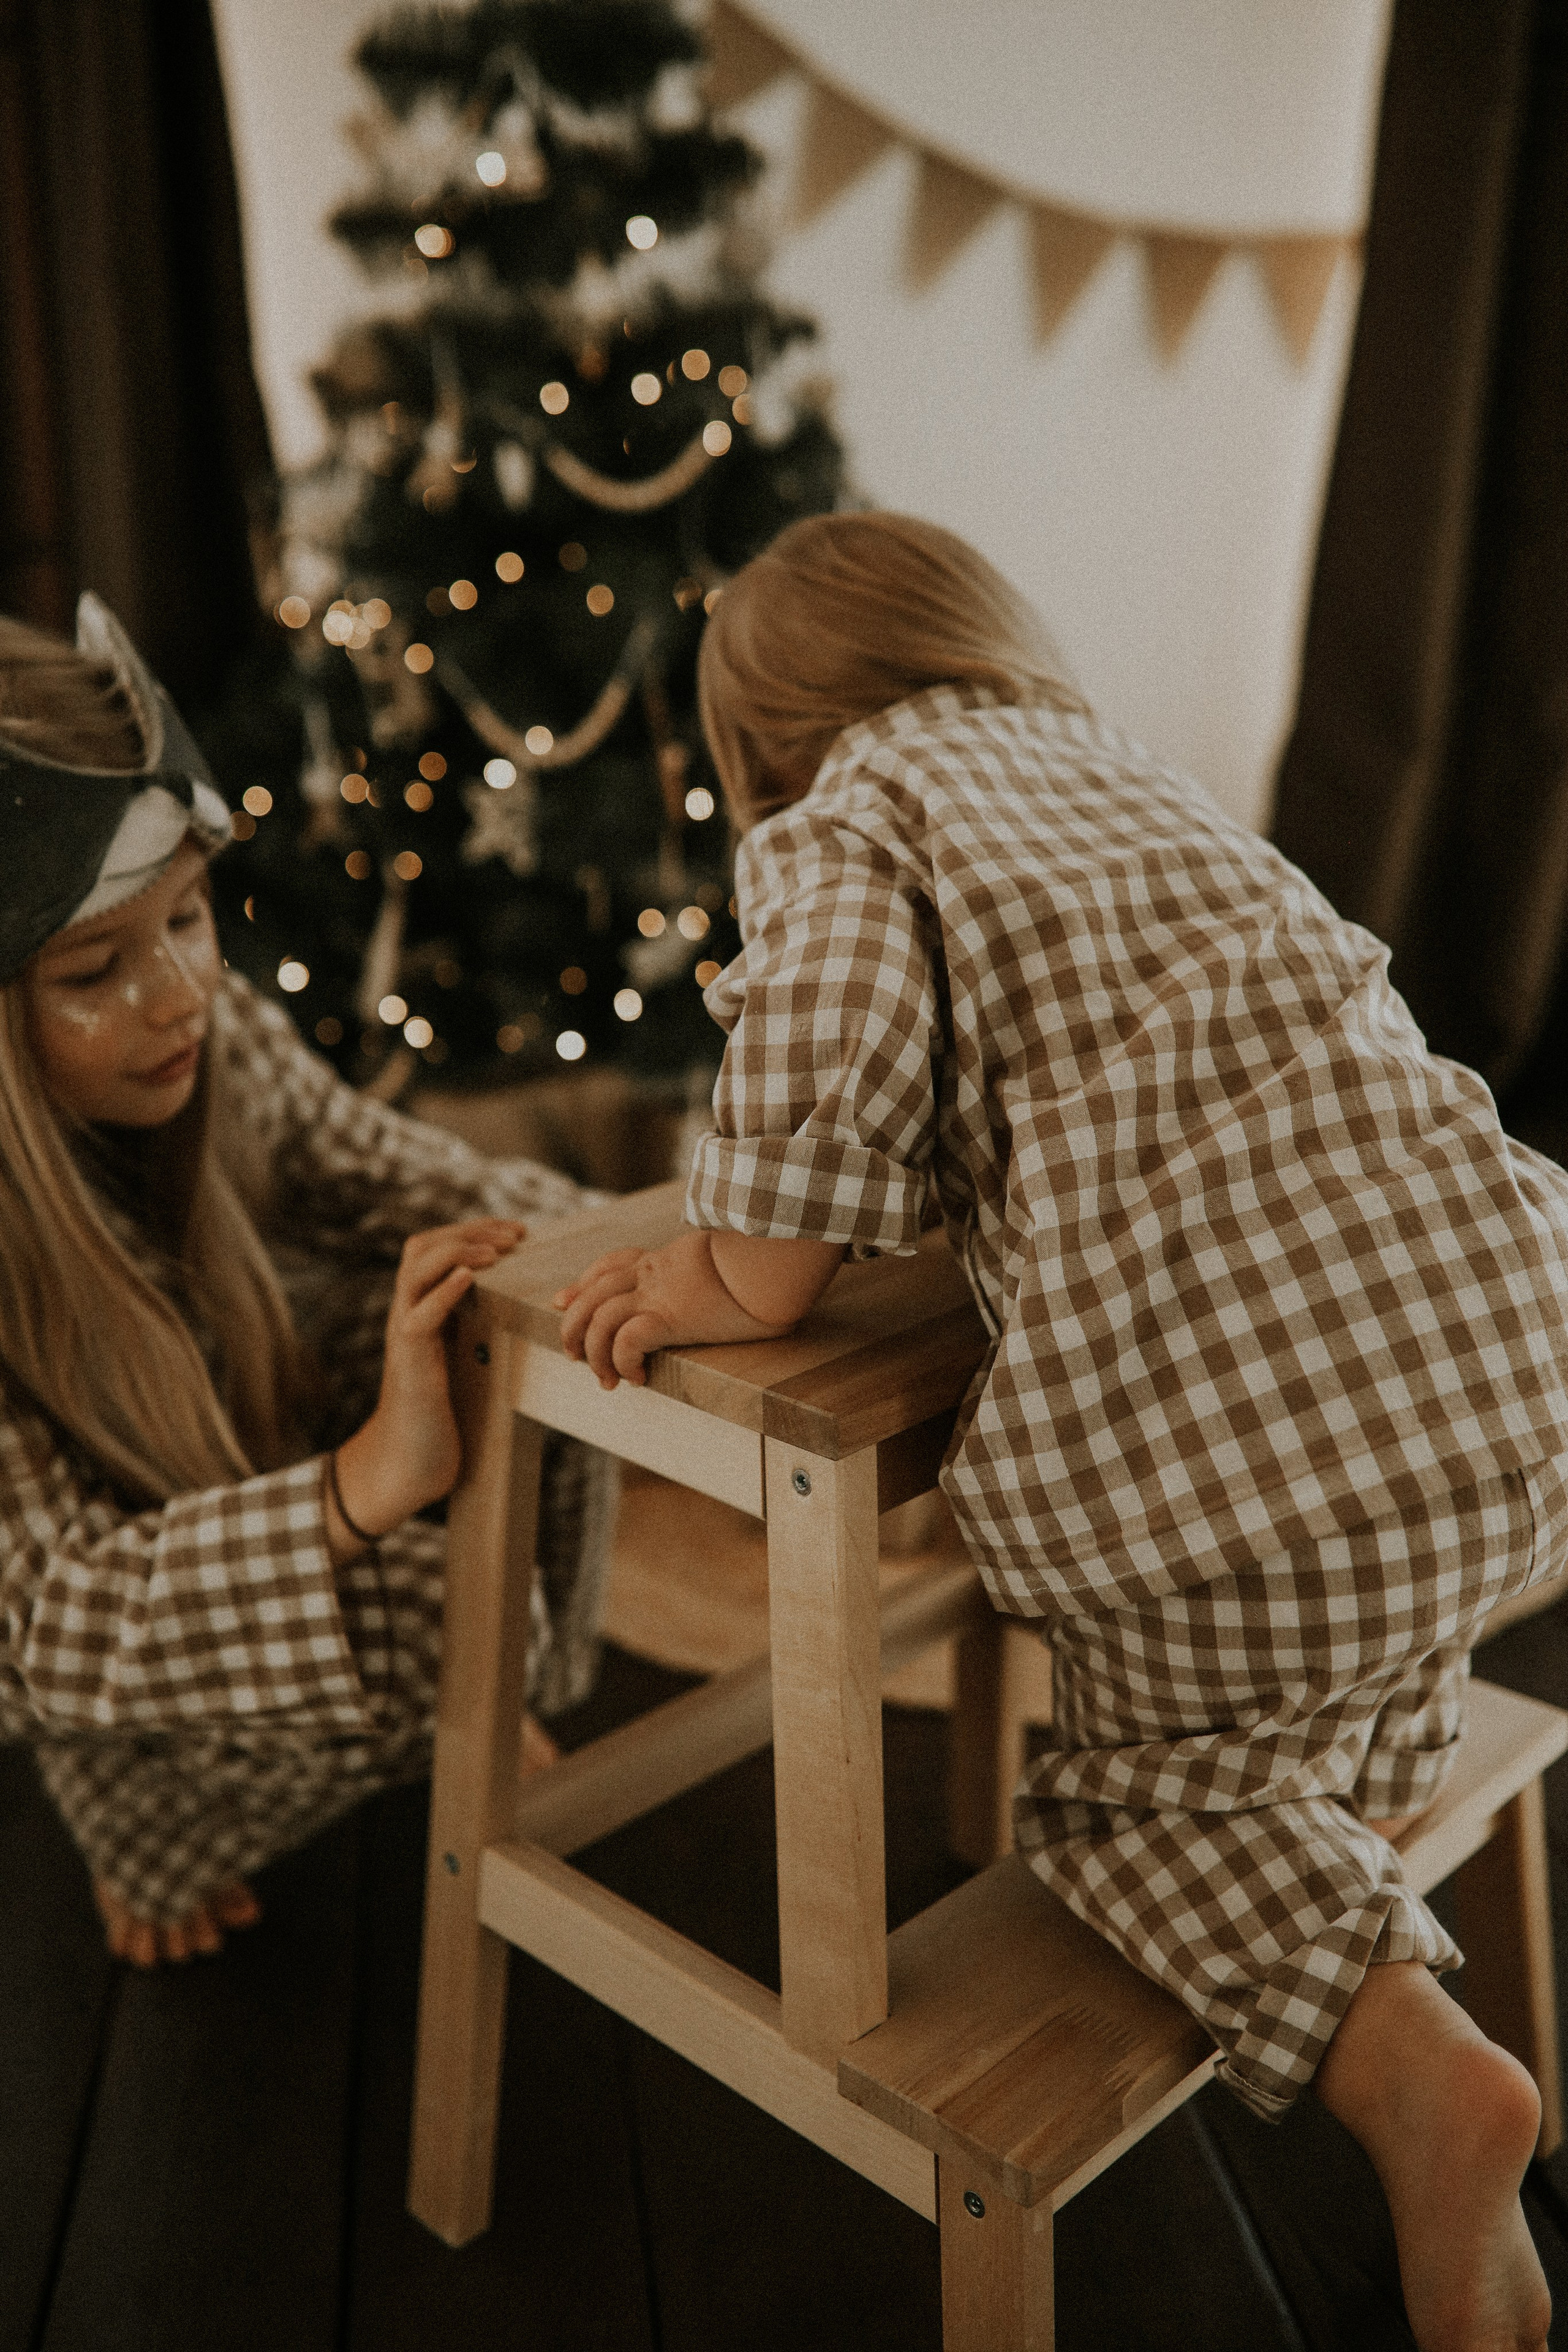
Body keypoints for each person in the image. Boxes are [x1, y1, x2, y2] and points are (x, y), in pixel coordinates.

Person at [557, 512, 1566, 2352]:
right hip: (1508, 1341)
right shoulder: (1115, 773)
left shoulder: (849, 812)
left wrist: (726, 1264)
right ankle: (1357, 1746)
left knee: (1118, 1808)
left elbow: (816, 1078)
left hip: (1278, 1441)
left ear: (760, 741)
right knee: (1374, 1569)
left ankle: (1418, 2068)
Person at [0, 595, 615, 1968]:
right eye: (97, 968)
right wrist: (360, 1488)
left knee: (468, 1304)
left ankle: (475, 1685)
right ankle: (157, 1825)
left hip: (236, 1447)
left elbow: (411, 1179)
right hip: (124, 1640)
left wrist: (637, 1249)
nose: (177, 996)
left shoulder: (219, 1039)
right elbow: (42, 1626)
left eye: (192, 919)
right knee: (432, 1611)